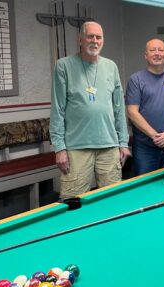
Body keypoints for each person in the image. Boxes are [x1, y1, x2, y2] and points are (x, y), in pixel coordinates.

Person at [50, 21, 130, 199]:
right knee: (73, 201)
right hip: (76, 147)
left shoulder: (111, 67)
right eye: (90, 36)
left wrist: (123, 142)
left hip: (109, 145)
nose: (95, 41)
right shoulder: (63, 66)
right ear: (80, 40)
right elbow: (58, 109)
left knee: (113, 200)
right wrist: (59, 148)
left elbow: (118, 108)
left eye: (99, 37)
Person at [125, 39, 164, 175]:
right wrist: (156, 136)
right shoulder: (136, 80)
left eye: (161, 50)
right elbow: (132, 112)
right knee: (145, 187)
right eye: (153, 50)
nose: (157, 53)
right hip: (145, 148)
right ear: (145, 55)